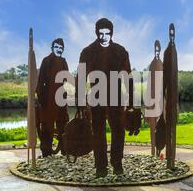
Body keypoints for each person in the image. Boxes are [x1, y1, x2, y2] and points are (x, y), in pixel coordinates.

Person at [77, 18, 138, 177]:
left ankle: (117, 163)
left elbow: (128, 77)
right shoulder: (88, 52)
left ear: (112, 33)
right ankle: (101, 166)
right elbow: (81, 77)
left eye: (107, 33)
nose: (104, 36)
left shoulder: (120, 51)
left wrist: (131, 102)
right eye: (101, 33)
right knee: (98, 132)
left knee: (119, 131)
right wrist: (80, 101)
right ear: (96, 33)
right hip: (96, 97)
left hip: (116, 97)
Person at [36, 38, 69, 157]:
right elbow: (41, 81)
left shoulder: (64, 62)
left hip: (60, 97)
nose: (59, 50)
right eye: (57, 47)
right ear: (52, 48)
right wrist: (41, 99)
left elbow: (66, 79)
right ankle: (46, 151)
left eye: (61, 48)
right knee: (47, 125)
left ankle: (65, 149)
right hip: (48, 98)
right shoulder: (46, 61)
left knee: (63, 123)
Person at [163, 23, 178, 169]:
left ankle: (172, 158)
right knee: (169, 129)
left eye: (174, 33)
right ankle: (169, 159)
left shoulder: (174, 50)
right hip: (169, 101)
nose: (172, 35)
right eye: (171, 33)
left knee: (174, 127)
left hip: (174, 101)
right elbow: (165, 79)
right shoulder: (168, 52)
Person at [145, 40, 164, 156]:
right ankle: (153, 152)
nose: (157, 51)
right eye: (155, 49)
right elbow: (148, 86)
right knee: (152, 127)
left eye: (158, 49)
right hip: (152, 100)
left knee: (162, 126)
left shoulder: (162, 64)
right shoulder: (152, 65)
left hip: (161, 99)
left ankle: (159, 151)